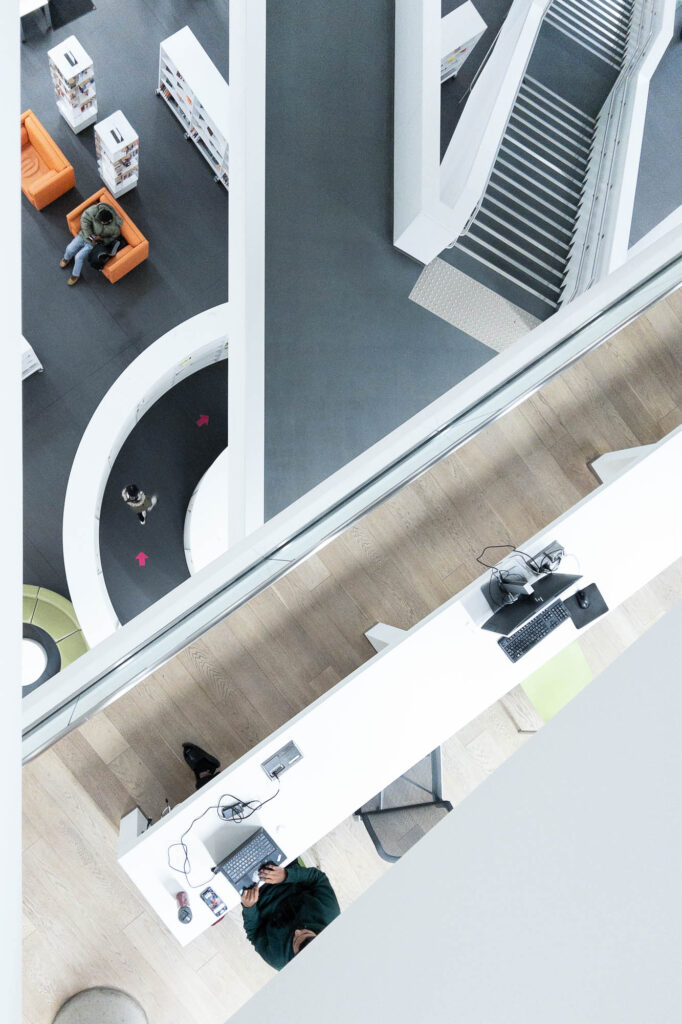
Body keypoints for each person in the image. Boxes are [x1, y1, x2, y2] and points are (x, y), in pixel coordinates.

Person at [241, 861, 341, 970]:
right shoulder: (331, 916)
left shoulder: (278, 959)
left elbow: (254, 933)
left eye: (295, 939)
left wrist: (249, 907)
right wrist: (286, 875)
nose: (297, 931)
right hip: (284, 867)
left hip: (254, 891)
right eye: (306, 931)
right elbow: (318, 878)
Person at [60, 200, 122, 286]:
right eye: (100, 221)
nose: (101, 223)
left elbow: (113, 238)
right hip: (84, 235)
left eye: (103, 223)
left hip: (93, 244)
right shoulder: (94, 211)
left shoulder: (114, 228)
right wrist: (91, 236)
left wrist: (102, 240)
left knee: (79, 257)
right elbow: (84, 220)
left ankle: (75, 275)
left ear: (109, 221)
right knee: (70, 248)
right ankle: (66, 258)